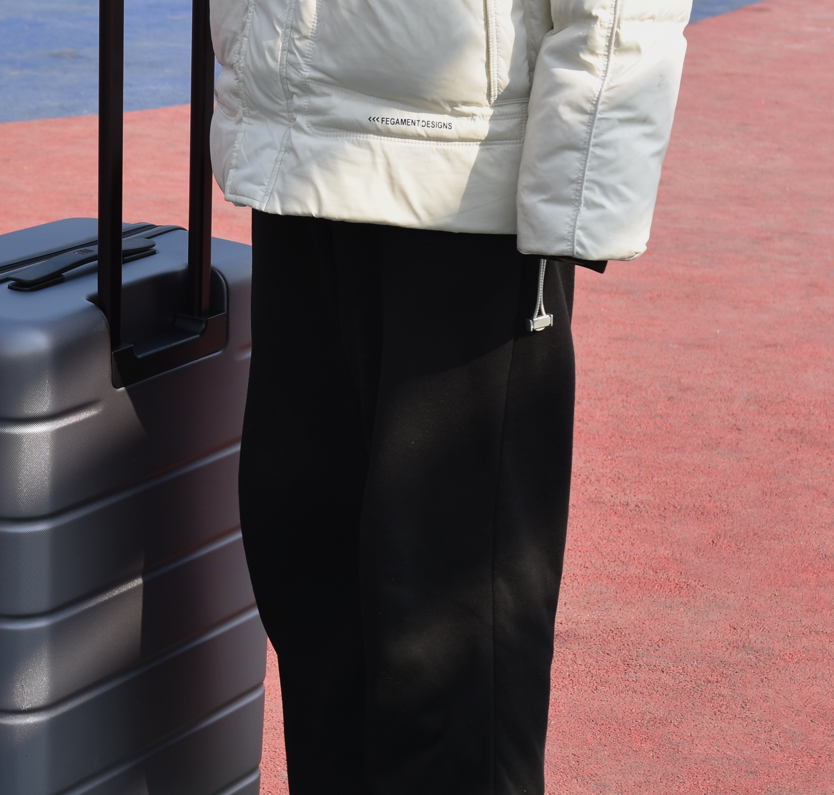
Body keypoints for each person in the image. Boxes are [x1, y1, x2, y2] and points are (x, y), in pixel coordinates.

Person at [209, 1, 691, 792]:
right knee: (311, 584)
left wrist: (576, 199)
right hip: (300, 150)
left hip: (467, 187)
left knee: (448, 624)